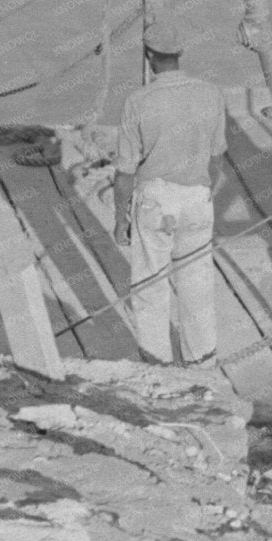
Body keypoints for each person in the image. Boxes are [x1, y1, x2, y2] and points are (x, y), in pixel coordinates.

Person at [113, 18, 226, 366]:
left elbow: (125, 173)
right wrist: (205, 194)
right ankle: (202, 360)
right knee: (197, 283)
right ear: (180, 52)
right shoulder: (211, 93)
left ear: (148, 55)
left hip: (156, 200)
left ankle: (158, 362)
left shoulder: (138, 101)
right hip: (197, 196)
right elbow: (218, 159)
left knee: (150, 286)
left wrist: (121, 219)